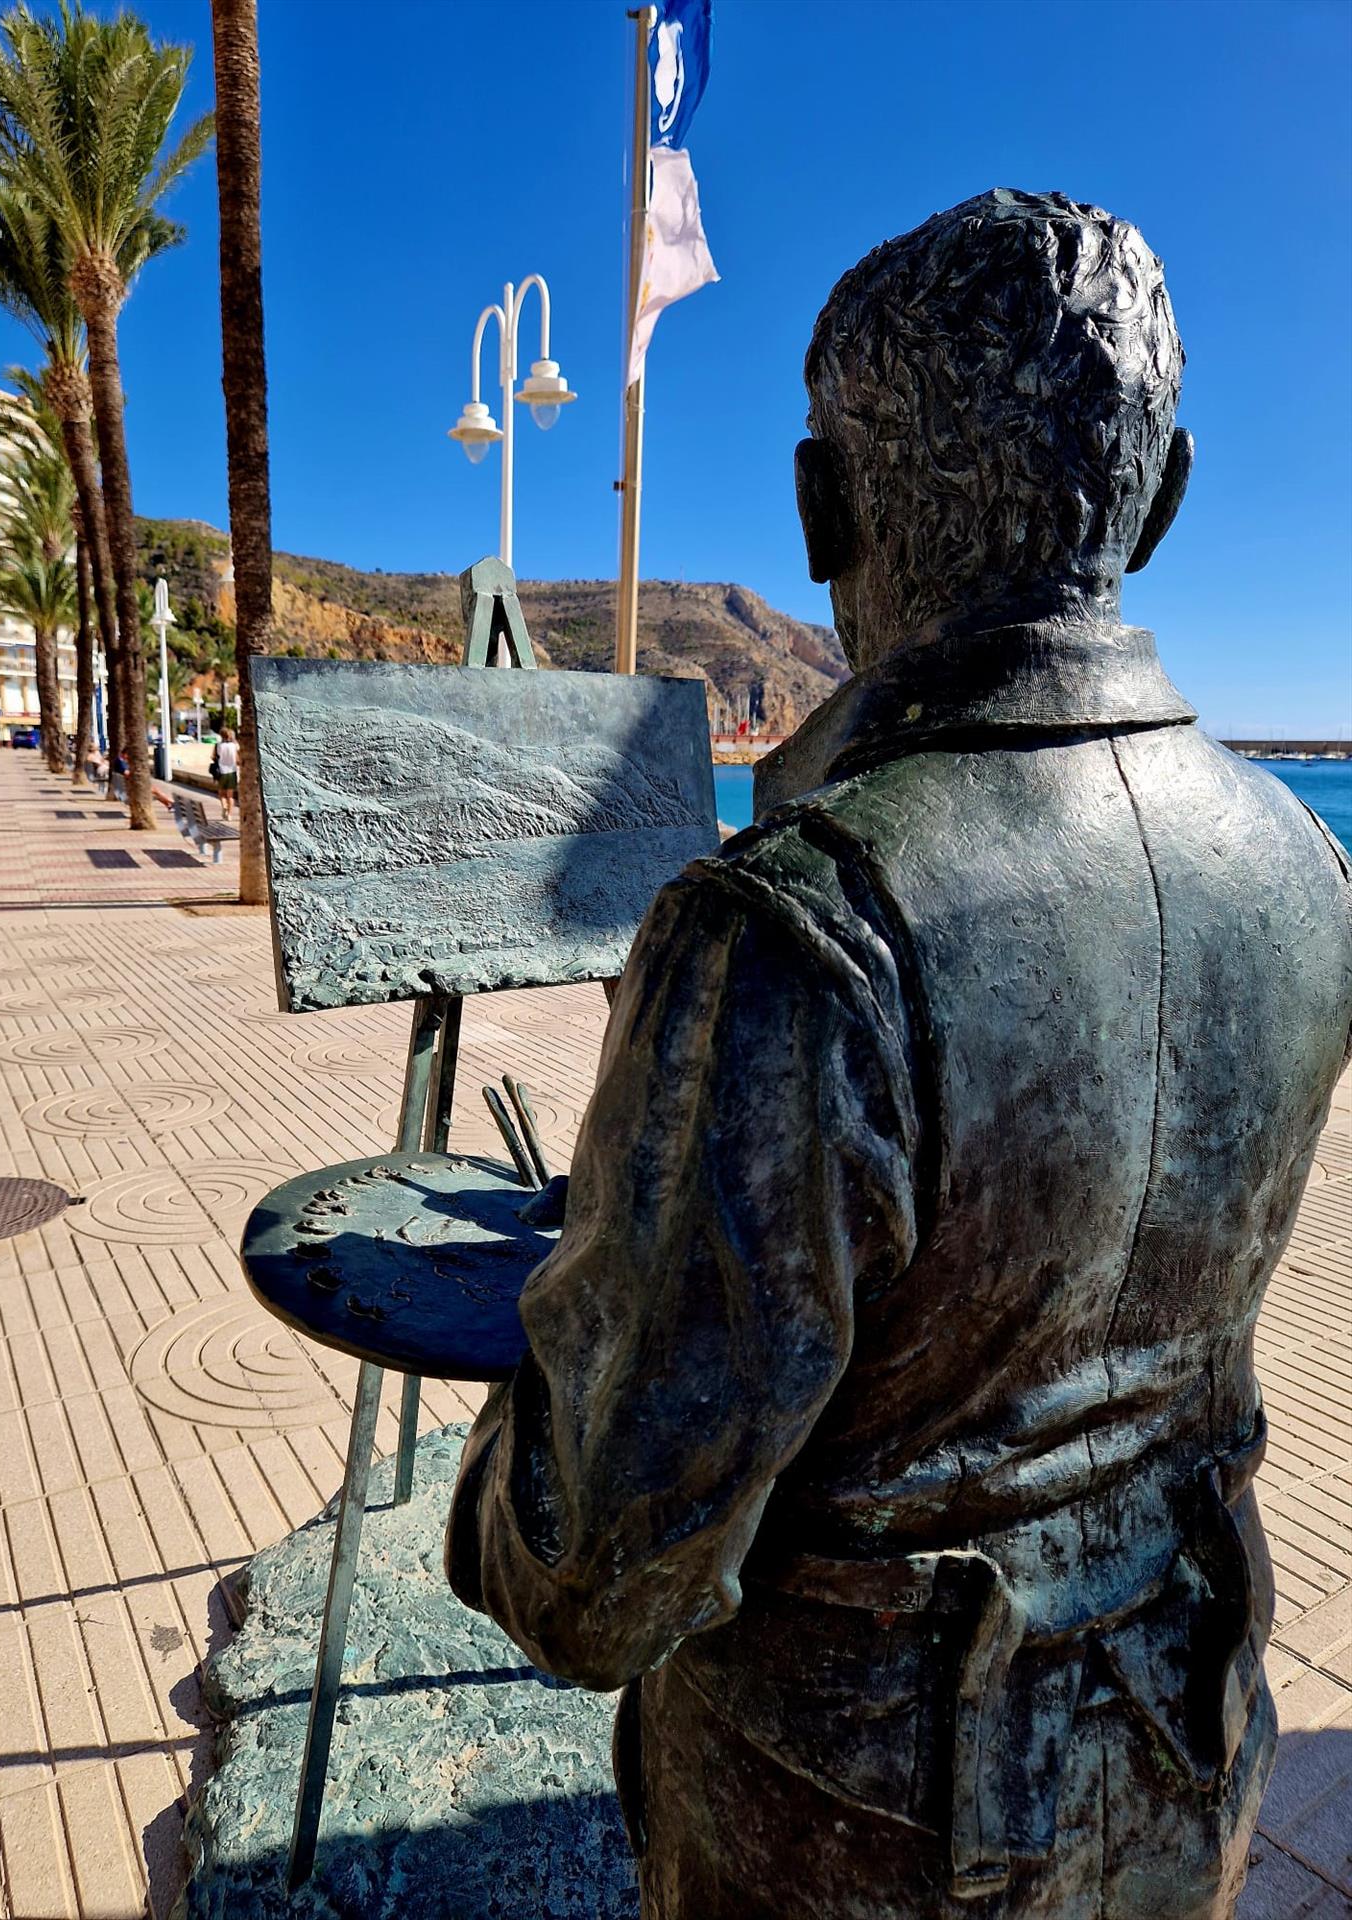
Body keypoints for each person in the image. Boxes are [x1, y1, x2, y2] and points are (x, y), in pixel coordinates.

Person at [446, 190, 1352, 1919]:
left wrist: (551, 1376)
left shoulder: (788, 935)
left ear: (820, 505)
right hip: (1187, 1768)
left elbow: (593, 1574)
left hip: (844, 1845)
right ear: (1164, 498)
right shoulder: (1311, 871)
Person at [213, 725, 238, 819]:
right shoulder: (234, 746)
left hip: (221, 772)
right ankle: (229, 815)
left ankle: (224, 806)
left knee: (221, 794)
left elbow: (213, 756)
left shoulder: (218, 745)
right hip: (232, 771)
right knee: (230, 796)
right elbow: (237, 758)